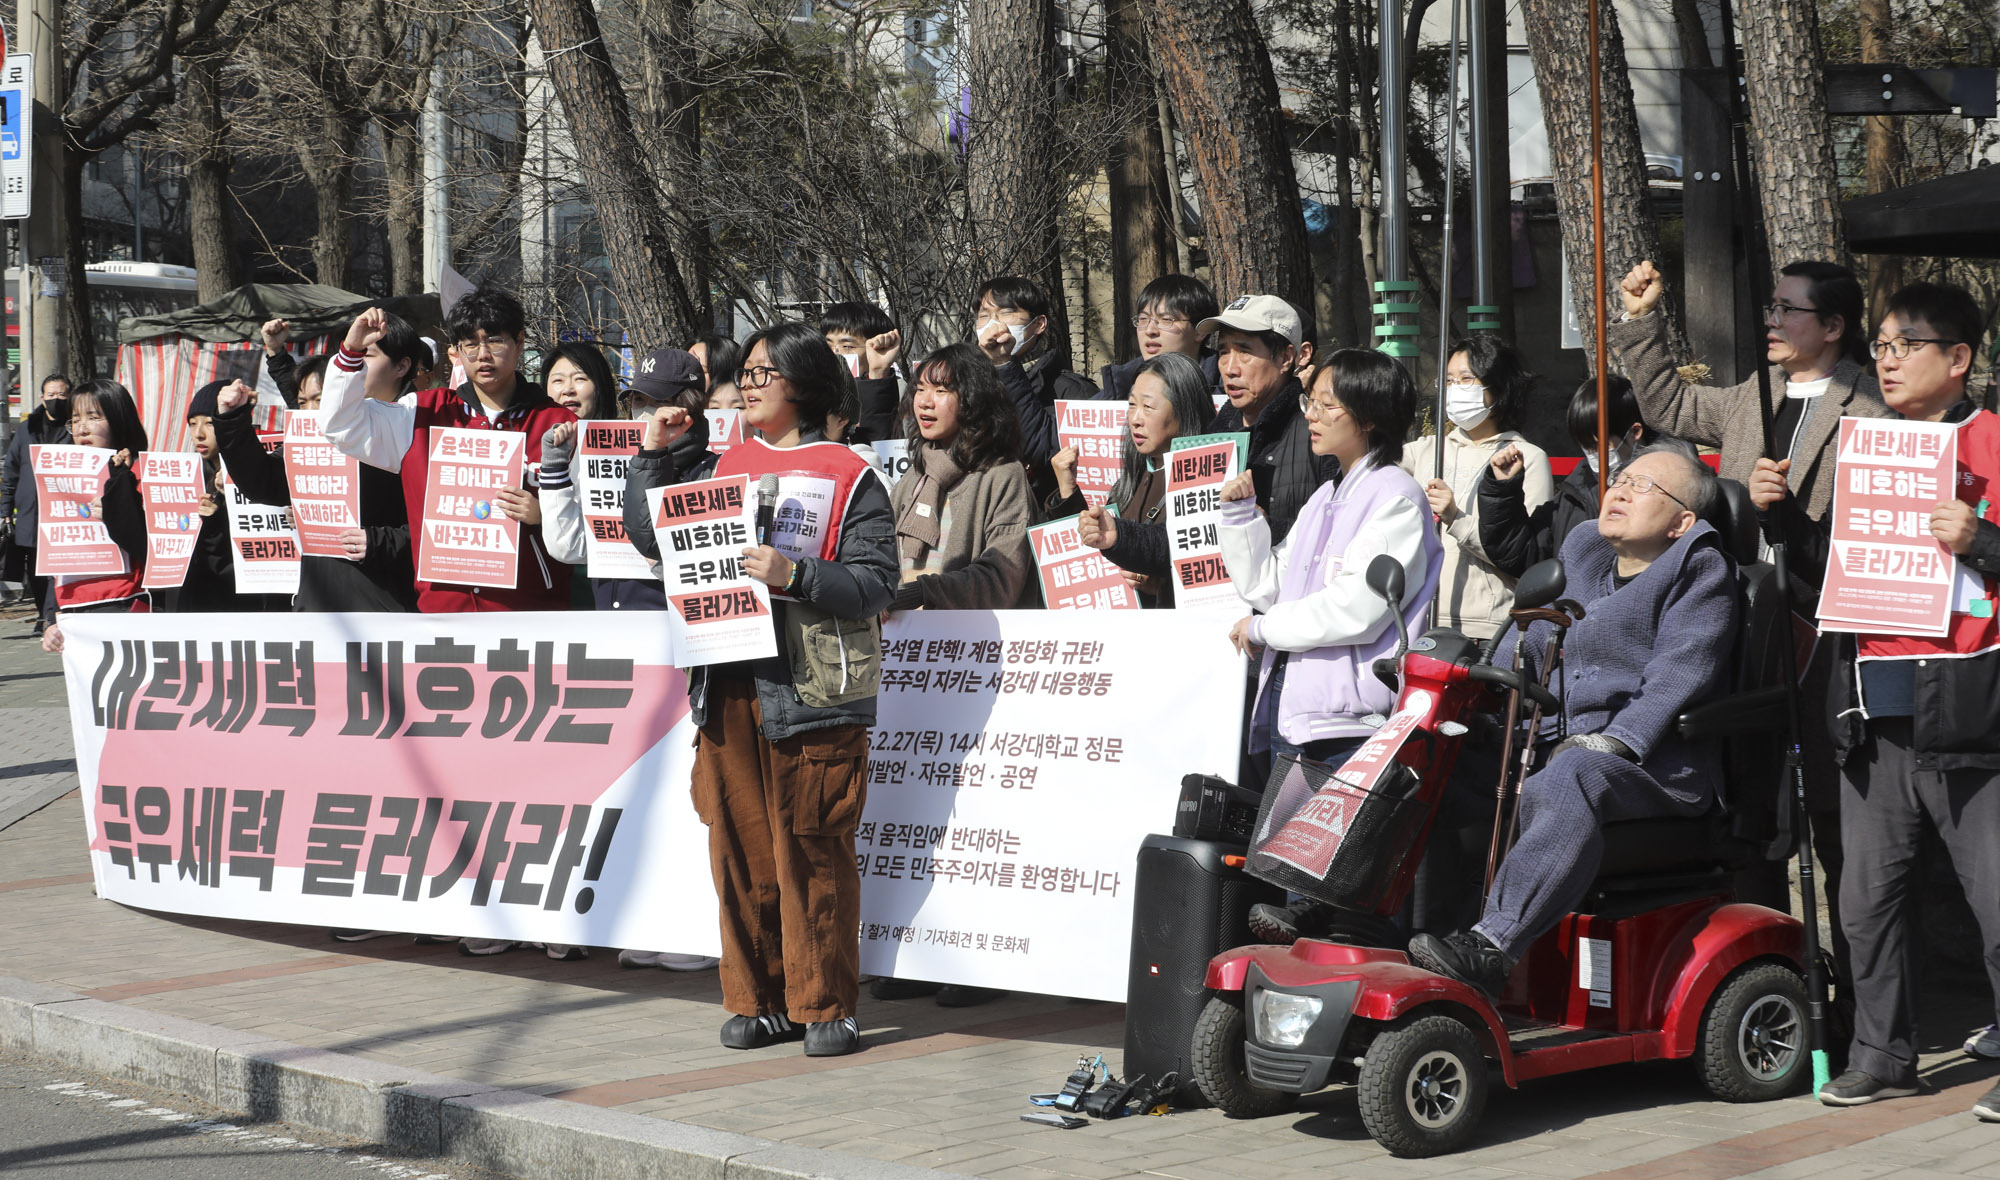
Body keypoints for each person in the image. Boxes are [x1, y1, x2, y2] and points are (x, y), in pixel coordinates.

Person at [625, 321, 897, 1058]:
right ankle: (758, 999)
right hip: (726, 682)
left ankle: (826, 1004)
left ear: (803, 384)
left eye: (762, 373)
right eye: (742, 374)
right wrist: (652, 456)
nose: (746, 386)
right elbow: (653, 538)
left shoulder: (851, 473)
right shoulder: (720, 463)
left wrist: (795, 575)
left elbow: (877, 583)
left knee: (813, 846)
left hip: (810, 686)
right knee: (738, 851)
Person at [1409, 443, 1738, 991]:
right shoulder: (1584, 553)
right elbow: (1529, 640)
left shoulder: (1700, 569)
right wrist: (1471, 693)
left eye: (1646, 487)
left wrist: (1617, 741)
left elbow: (1682, 672)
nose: (1623, 490)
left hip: (1649, 764)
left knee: (1571, 774)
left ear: (1682, 522)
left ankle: (1492, 946)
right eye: (1623, 479)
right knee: (1429, 752)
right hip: (1547, 739)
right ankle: (1361, 916)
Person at [1816, 283, 2000, 1122]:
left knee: (1996, 901)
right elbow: (1826, 590)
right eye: (1881, 344)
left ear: (1958, 358)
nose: (1887, 359)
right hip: (1874, 709)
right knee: (1865, 901)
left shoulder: (1994, 441)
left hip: (1972, 712)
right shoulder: (1866, 449)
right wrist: (1782, 520)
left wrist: (1984, 540)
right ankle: (1882, 1056)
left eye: (1907, 343)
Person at [1218, 349, 1440, 941]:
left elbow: (1358, 610)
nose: (1311, 415)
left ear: (1367, 417)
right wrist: (1240, 517)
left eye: (1325, 404)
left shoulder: (1394, 496)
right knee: (1302, 893)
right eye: (1309, 403)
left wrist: (1263, 630)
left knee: (1340, 901)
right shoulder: (1327, 496)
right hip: (1305, 718)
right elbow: (1270, 585)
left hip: (1354, 725)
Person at [318, 286, 576, 612]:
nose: (483, 354)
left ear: (520, 342)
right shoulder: (423, 412)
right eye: (470, 344)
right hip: (443, 611)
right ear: (456, 351)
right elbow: (340, 426)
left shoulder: (558, 423)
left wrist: (543, 516)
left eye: (495, 340)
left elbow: (590, 523)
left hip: (530, 611)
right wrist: (351, 351)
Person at [214, 315, 427, 613]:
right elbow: (265, 482)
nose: (352, 366)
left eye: (365, 355)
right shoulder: (320, 432)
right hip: (319, 604)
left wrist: (377, 542)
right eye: (346, 355)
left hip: (391, 608)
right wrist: (232, 421)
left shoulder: (425, 428)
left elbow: (440, 530)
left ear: (402, 366)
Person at [1400, 337, 1553, 640]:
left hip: (1485, 628)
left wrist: (1456, 518)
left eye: (1467, 379)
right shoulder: (1426, 450)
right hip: (1420, 618)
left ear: (1497, 386)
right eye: (1449, 380)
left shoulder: (1527, 458)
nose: (1455, 389)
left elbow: (1527, 556)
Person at [1064, 351, 1218, 607]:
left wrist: (1160, 585)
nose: (1135, 419)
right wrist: (1067, 490)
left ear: (1184, 409)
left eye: (1148, 407)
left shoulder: (1207, 481)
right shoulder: (1130, 480)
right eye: (1132, 404)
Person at [1478, 376, 1655, 579]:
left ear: (1634, 432)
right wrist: (1503, 491)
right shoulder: (1572, 495)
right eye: (1585, 446)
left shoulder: (1665, 491)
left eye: (1599, 445)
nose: (1592, 454)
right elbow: (1523, 553)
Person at [1205, 295, 1338, 544]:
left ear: (1287, 358)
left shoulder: (1320, 432)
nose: (1230, 368)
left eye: (1245, 351)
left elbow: (1337, 533)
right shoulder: (1210, 438)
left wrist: (1262, 528)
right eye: (1223, 352)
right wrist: (1117, 537)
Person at [40, 380, 151, 653]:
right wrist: (50, 620)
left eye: (93, 417)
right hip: (73, 610)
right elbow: (54, 554)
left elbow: (150, 549)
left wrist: (119, 499)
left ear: (118, 419)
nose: (82, 428)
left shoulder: (139, 475)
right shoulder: (59, 480)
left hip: (126, 603)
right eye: (75, 419)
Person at [174, 381, 290, 614]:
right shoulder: (185, 480)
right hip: (202, 606)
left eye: (208, 422)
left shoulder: (263, 474)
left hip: (254, 604)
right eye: (192, 424)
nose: (198, 434)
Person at [976, 276, 1096, 488]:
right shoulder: (973, 384)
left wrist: (1005, 364)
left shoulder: (1073, 391)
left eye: (1006, 313)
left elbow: (1038, 451)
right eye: (984, 316)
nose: (994, 324)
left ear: (1038, 324)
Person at [2, 372, 71, 633]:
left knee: (59, 566)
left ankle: (55, 615)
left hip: (65, 509)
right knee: (37, 567)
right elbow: (12, 470)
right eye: (51, 395)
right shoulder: (27, 428)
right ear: (42, 398)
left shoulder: (75, 427)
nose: (56, 399)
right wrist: (6, 509)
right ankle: (43, 613)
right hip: (32, 510)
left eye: (61, 394)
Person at [1099, 275, 1220, 404]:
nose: (1150, 331)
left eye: (1167, 320)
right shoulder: (1116, 392)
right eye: (1143, 319)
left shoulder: (1230, 390)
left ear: (1200, 330)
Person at [820, 303, 904, 444]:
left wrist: (878, 374)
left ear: (879, 348)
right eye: (828, 345)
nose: (835, 352)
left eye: (847, 347)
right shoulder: (810, 389)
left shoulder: (900, 392)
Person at [543, 342, 619, 422]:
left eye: (579, 379)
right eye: (558, 380)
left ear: (601, 385)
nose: (568, 390)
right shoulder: (532, 433)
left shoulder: (625, 433)